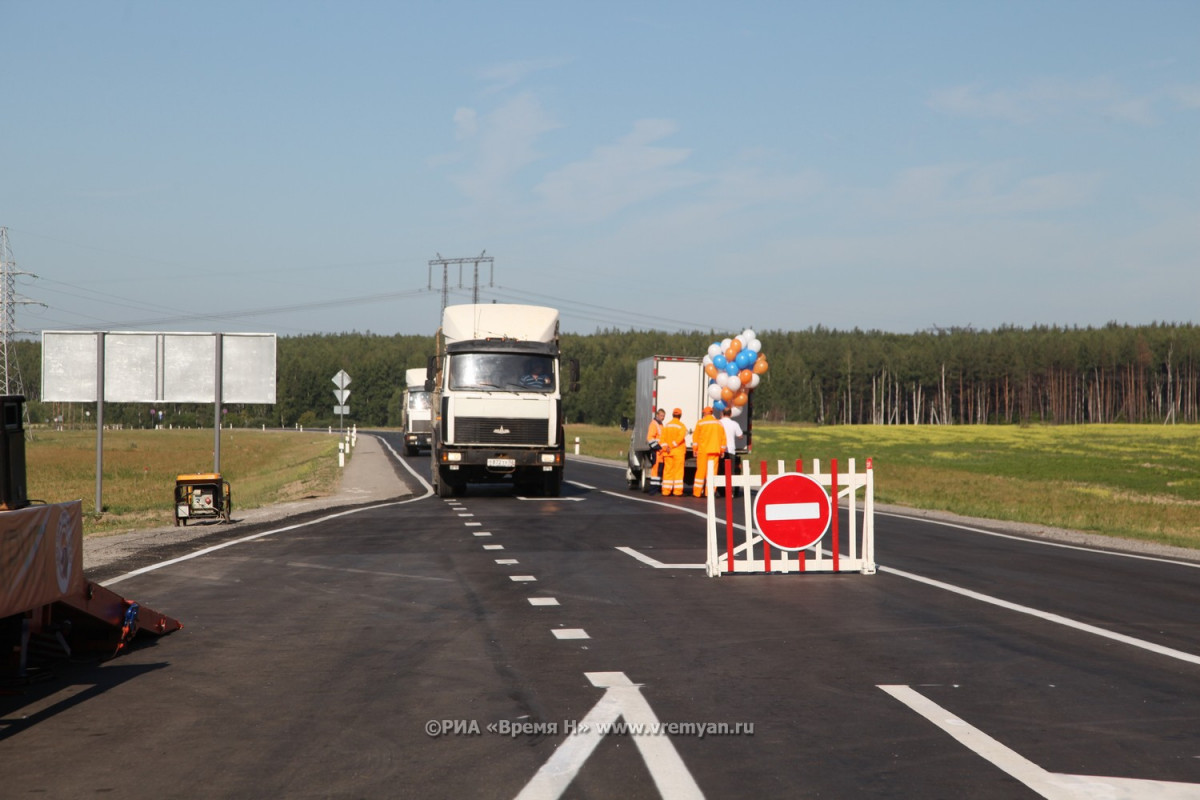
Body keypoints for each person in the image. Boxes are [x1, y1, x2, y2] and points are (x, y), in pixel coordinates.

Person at [691, 406, 724, 497]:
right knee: (712, 472)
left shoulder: (700, 423)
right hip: (715, 451)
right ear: (711, 413)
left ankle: (697, 492)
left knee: (701, 472)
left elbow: (695, 437)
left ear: (705, 413)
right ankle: (709, 492)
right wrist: (722, 450)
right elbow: (723, 438)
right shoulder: (718, 423)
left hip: (703, 451)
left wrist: (695, 449)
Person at [659, 408, 689, 497]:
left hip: (668, 453)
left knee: (667, 471)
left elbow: (662, 439)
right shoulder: (682, 426)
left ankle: (666, 491)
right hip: (678, 453)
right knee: (678, 472)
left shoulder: (667, 426)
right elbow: (679, 439)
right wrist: (671, 446)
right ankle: (677, 491)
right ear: (680, 416)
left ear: (672, 415)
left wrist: (666, 447)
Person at [717, 406, 744, 493]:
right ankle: (730, 491)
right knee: (730, 472)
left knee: (720, 471)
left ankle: (720, 490)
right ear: (731, 414)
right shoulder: (735, 424)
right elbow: (740, 436)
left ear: (722, 414)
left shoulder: (718, 423)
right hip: (731, 450)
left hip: (720, 450)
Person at [644, 407, 666, 493]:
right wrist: (658, 447)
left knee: (659, 471)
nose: (662, 417)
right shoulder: (654, 424)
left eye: (663, 416)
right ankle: (653, 489)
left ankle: (657, 488)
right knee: (655, 470)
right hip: (656, 451)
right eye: (661, 416)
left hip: (660, 452)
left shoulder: (660, 424)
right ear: (657, 415)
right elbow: (650, 438)